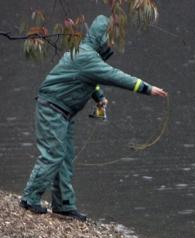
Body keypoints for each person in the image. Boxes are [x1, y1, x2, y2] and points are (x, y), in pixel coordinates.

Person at [19, 15, 168, 221]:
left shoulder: (82, 52)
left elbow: (88, 78)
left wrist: (98, 97)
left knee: (65, 157)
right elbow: (114, 76)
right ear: (101, 38)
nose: (111, 44)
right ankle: (29, 198)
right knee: (53, 154)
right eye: (109, 39)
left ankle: (64, 205)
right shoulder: (86, 57)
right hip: (52, 109)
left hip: (63, 112)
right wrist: (146, 88)